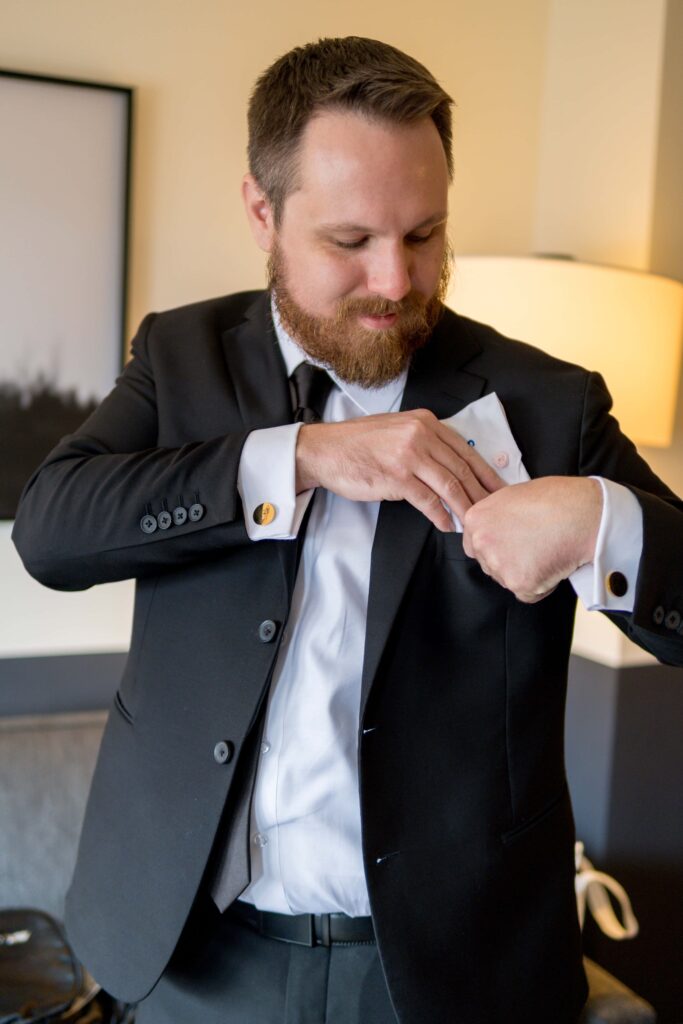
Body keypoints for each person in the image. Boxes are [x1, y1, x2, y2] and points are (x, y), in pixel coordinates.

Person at [12, 36, 683, 1024]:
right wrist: (302, 458)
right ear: (260, 211)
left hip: (446, 974)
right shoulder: (182, 356)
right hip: (195, 955)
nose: (395, 279)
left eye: (424, 234)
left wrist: (600, 520)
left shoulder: (544, 403)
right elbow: (52, 529)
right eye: (349, 240)